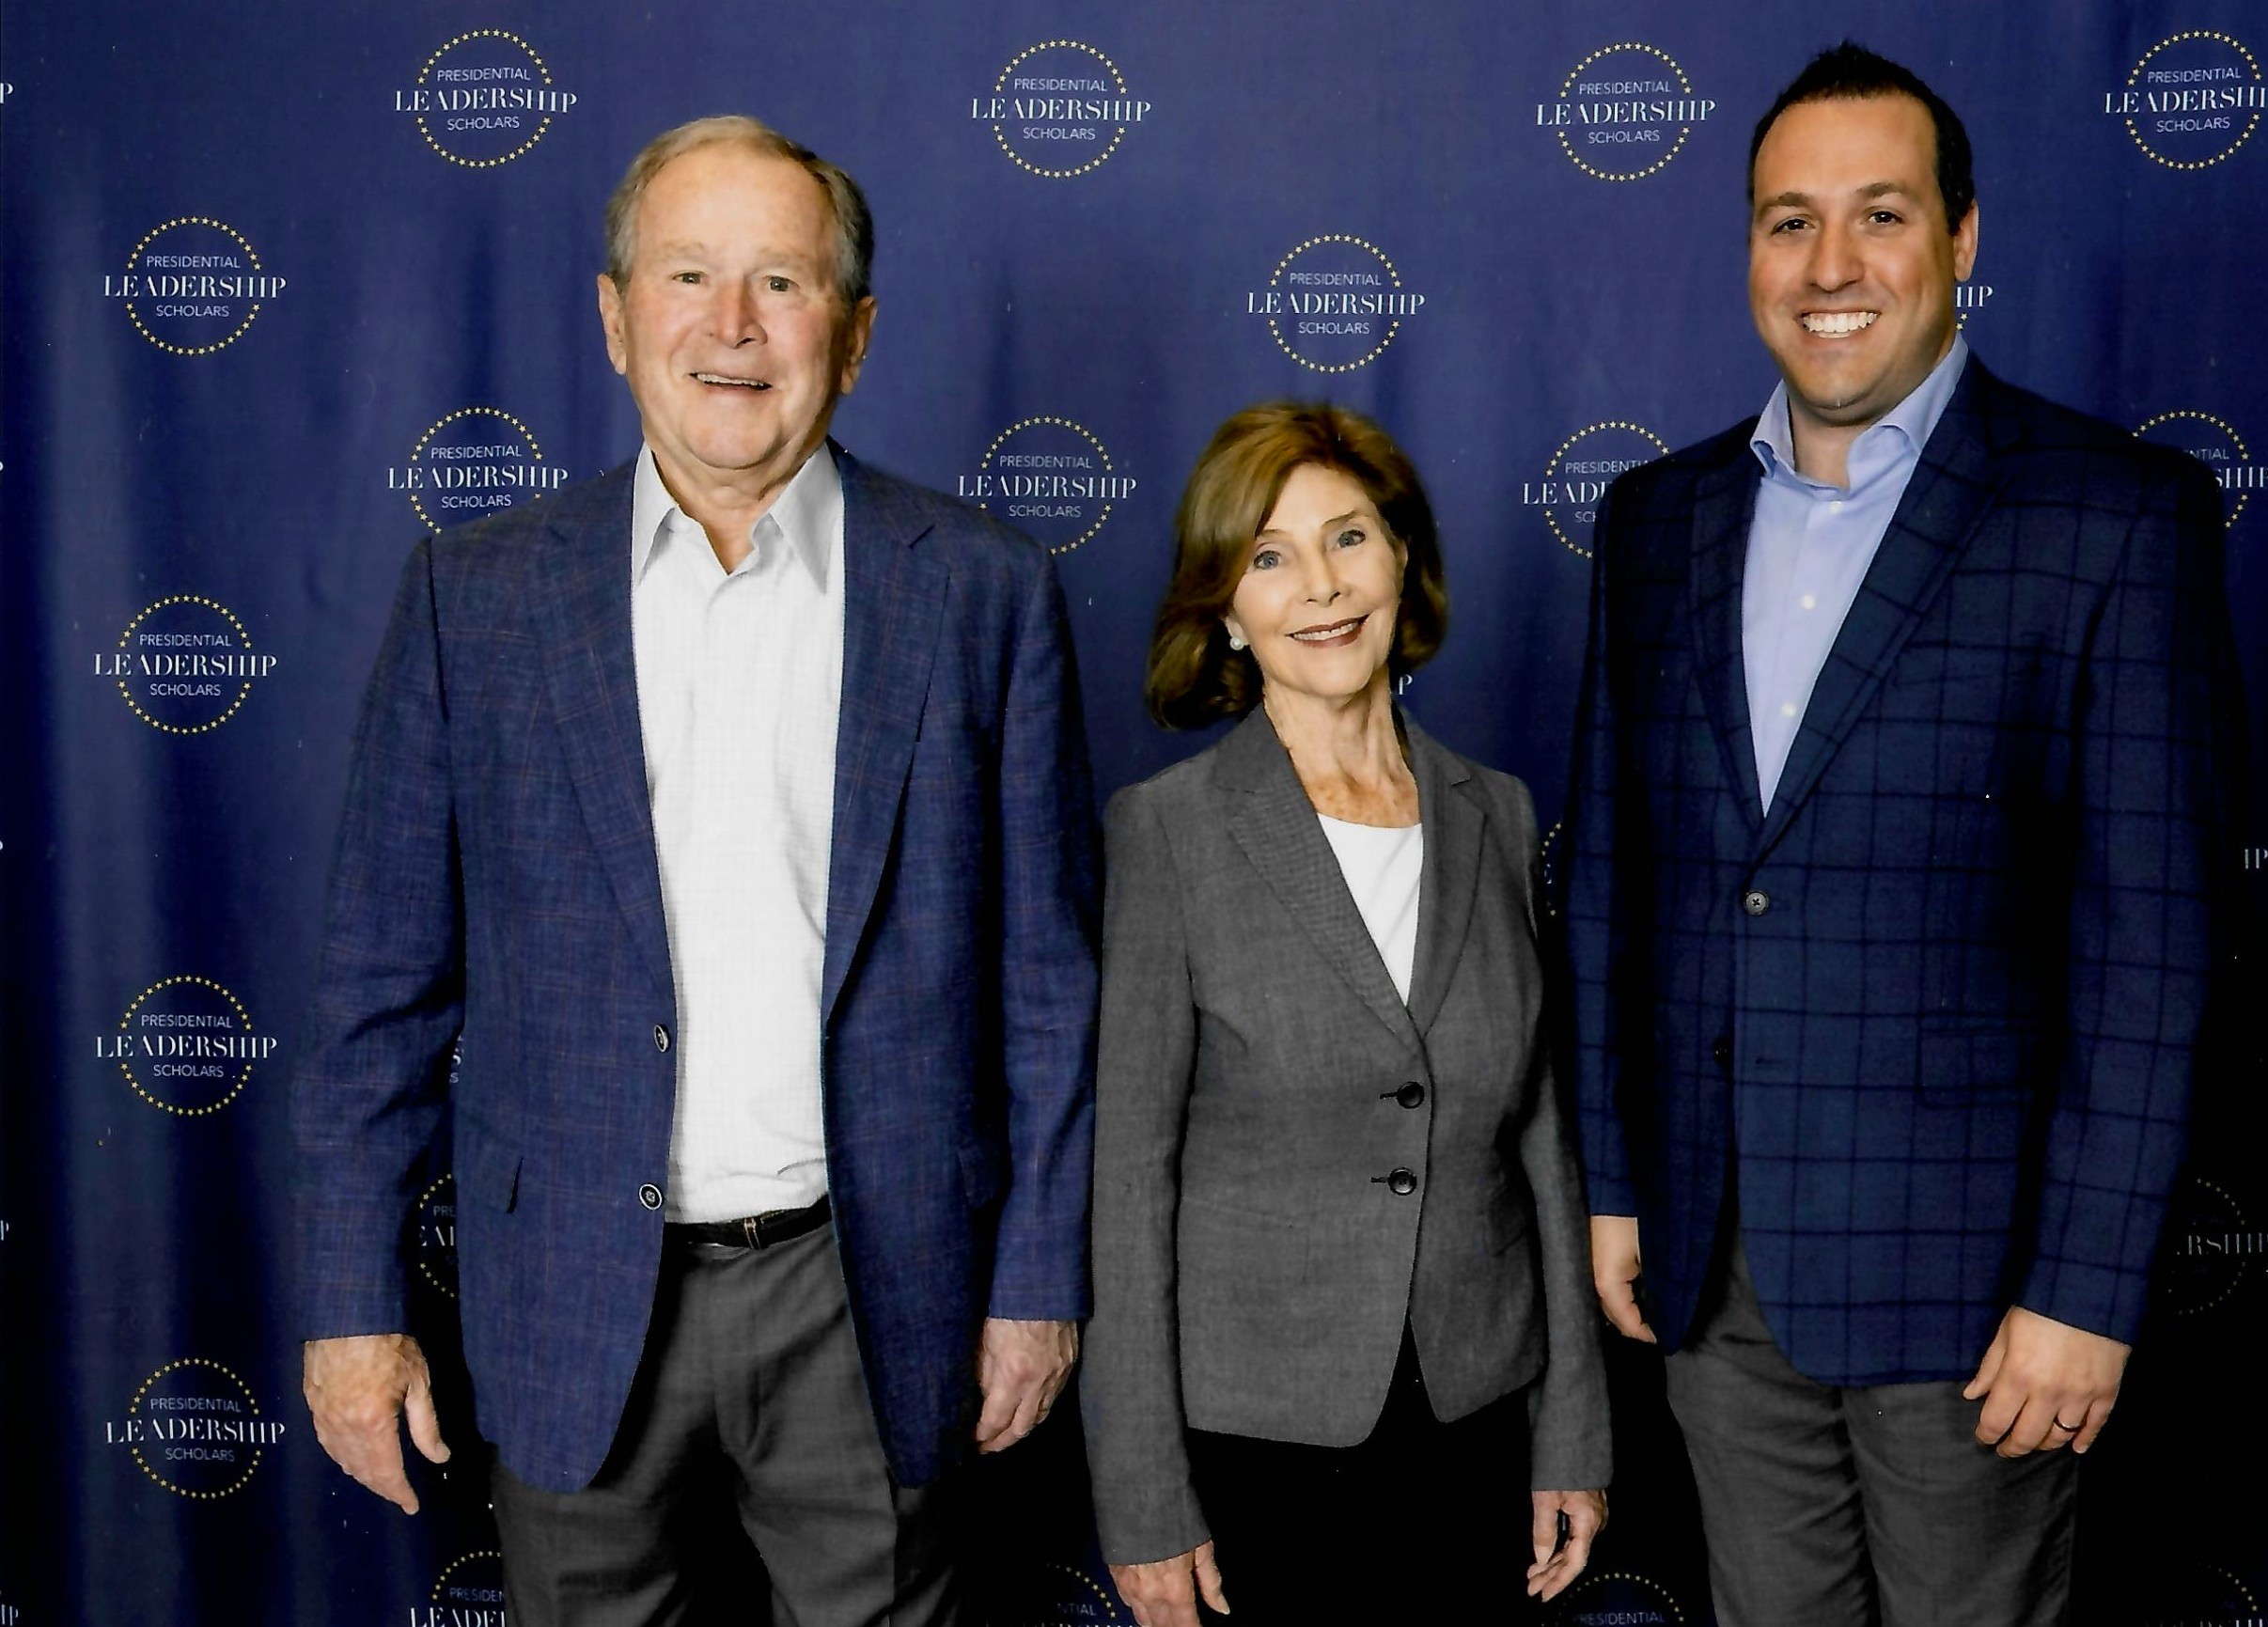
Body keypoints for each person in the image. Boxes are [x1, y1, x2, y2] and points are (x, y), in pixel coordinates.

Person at [294, 117, 1099, 1626]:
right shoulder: (476, 597)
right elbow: (376, 996)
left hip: (873, 1290)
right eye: (689, 275)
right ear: (614, 318)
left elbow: (1047, 988)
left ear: (852, 338)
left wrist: (1038, 1278)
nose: (734, 328)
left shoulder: (983, 592)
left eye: (782, 283)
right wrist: (350, 1311)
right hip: (571, 1293)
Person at [1562, 44, 2242, 1627]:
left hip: (1982, 1297)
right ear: (1748, 250)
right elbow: (1612, 884)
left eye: (1881, 214)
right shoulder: (1656, 528)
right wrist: (1616, 1177)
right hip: (1717, 1263)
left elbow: (2159, 939)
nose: (1832, 267)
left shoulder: (2112, 515)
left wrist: (2084, 1287)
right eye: (1789, 222)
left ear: (1965, 238)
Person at [1082, 403, 1610, 1626]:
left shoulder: (1500, 815)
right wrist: (1144, 1493)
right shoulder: (1167, 835)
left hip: (1476, 1425)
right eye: (1269, 556)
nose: (1320, 587)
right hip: (1252, 1445)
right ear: (1225, 606)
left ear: (1403, 560)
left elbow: (1543, 1142)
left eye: (1350, 538)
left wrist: (1575, 1427)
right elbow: (1128, 1188)